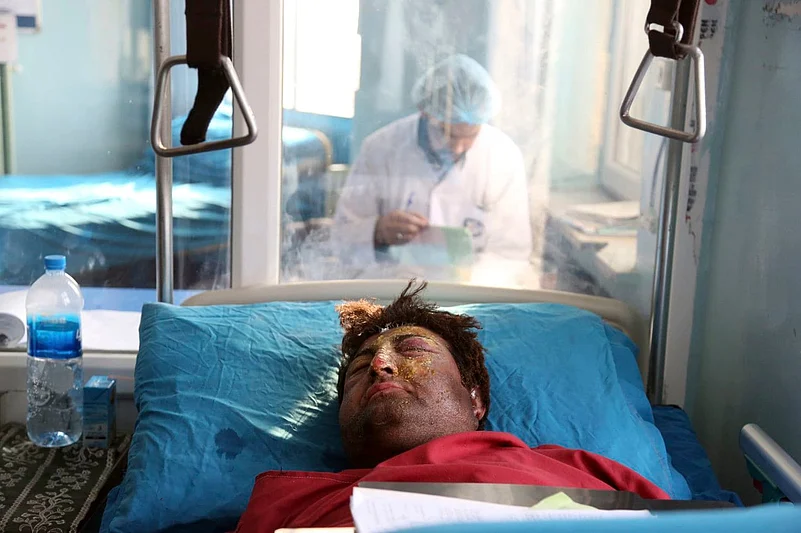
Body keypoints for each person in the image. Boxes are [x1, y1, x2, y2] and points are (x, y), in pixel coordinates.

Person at [232, 281, 670, 532]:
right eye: (360, 369)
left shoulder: (584, 471)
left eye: (414, 351)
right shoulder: (286, 503)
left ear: (476, 398)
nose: (381, 365)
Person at [331, 54, 534, 285]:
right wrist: (379, 231)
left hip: (473, 292)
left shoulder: (503, 156)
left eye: (470, 136)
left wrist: (465, 285)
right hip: (392, 289)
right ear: (425, 112)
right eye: (448, 134)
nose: (458, 147)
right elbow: (342, 239)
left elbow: (510, 254)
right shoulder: (381, 148)